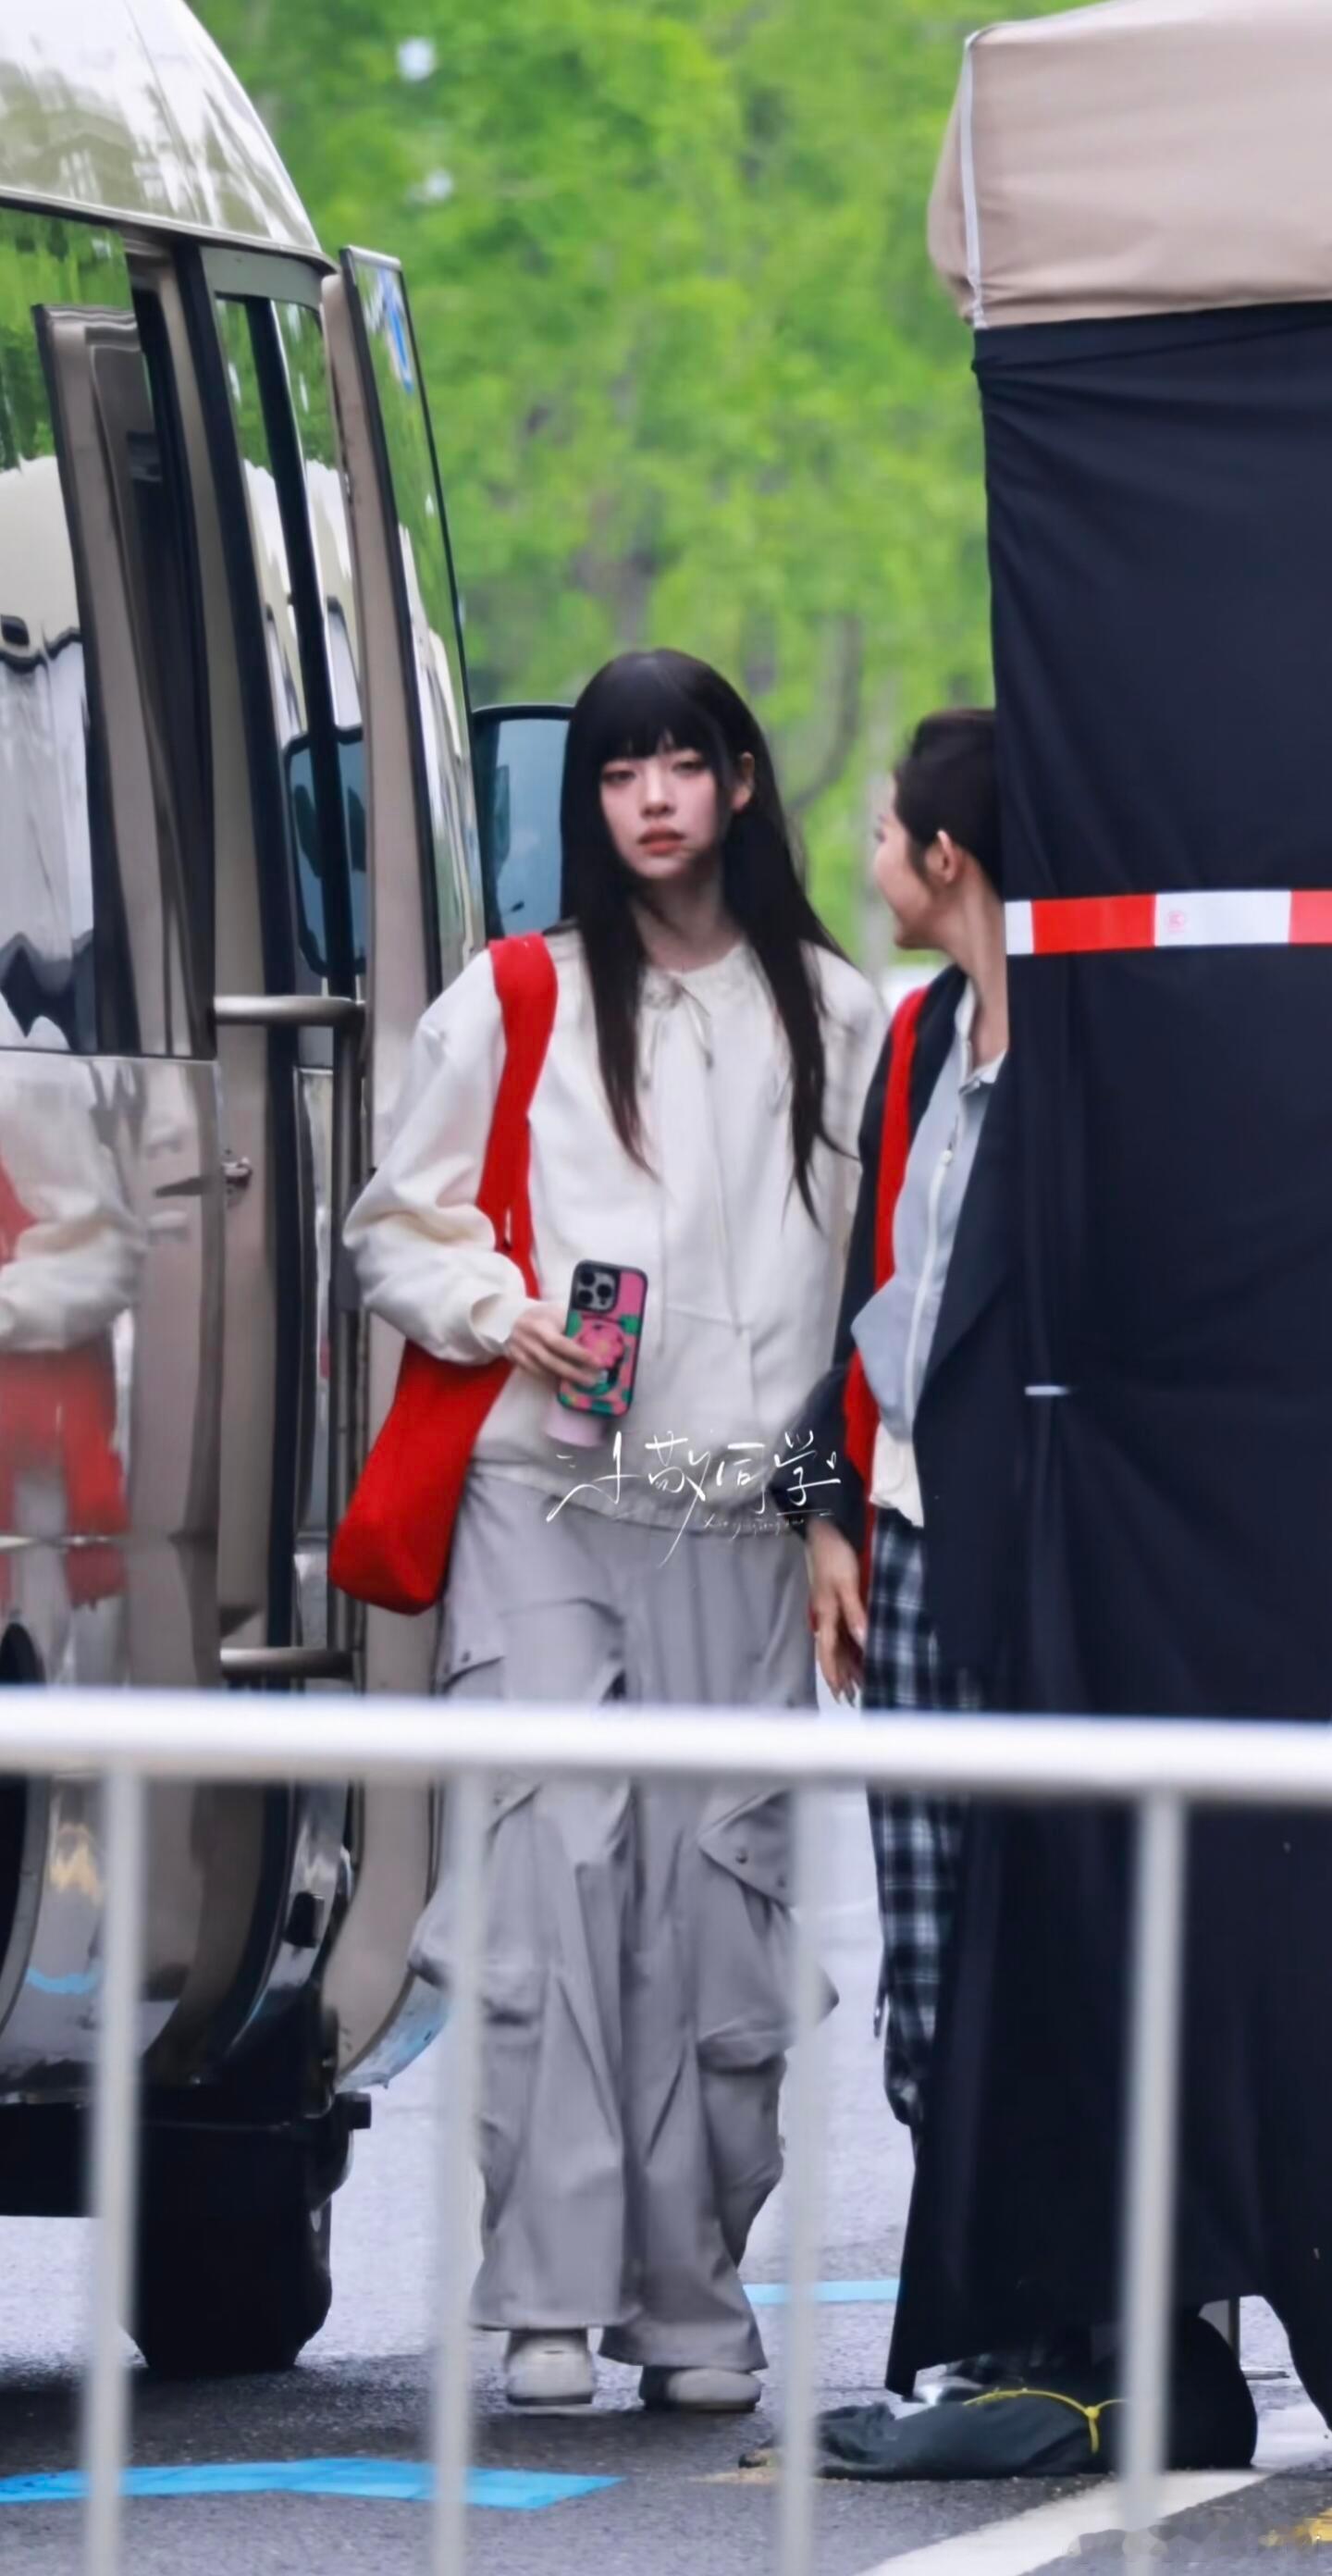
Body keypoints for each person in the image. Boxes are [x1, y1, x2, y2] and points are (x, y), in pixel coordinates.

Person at [345, 649, 884, 2414]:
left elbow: (873, 1290)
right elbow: (393, 1227)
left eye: (682, 764)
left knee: (722, 1894)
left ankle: (695, 2296)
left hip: (742, 1510)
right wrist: (502, 1311)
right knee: (551, 1874)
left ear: (739, 782)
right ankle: (549, 2295)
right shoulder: (518, 996)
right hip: (543, 1496)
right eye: (617, 772)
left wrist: (832, 1514)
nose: (653, 800)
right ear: (587, 802)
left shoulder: (840, 1012)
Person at [796, 710, 1019, 2149]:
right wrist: (828, 1511)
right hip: (912, 1534)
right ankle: (958, 2243)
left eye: (883, 834)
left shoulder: (1088, 1046)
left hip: (1038, 1544)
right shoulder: (923, 1032)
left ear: (944, 857)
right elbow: (869, 1297)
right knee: (925, 1927)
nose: (873, 859)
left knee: (1036, 1913)